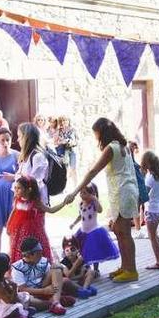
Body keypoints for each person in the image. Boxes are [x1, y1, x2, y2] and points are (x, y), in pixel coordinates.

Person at [63, 118, 140, 282]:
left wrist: (75, 191)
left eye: (96, 135)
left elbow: (92, 172)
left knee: (124, 232)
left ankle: (131, 270)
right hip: (123, 191)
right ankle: (125, 266)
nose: (96, 138)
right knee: (119, 231)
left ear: (102, 134)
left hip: (123, 192)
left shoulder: (111, 148)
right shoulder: (122, 145)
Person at [6, 176, 65, 263]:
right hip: (18, 232)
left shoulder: (36, 203)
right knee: (18, 249)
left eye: (19, 188)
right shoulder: (17, 200)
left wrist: (64, 203)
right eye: (15, 188)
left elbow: (51, 210)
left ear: (29, 189)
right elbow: (13, 212)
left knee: (32, 251)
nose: (16, 190)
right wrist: (8, 225)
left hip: (32, 233)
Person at [11, 238, 78, 315]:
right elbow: (22, 289)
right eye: (39, 253)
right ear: (30, 255)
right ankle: (54, 302)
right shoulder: (17, 268)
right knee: (27, 300)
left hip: (44, 287)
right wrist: (44, 291)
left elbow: (50, 277)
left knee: (56, 269)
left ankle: (56, 302)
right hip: (31, 294)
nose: (41, 255)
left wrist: (49, 287)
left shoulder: (42, 261)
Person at [69, 183, 121, 271]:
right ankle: (85, 266)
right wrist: (74, 223)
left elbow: (100, 210)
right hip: (83, 231)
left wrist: (94, 198)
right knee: (82, 249)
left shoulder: (94, 204)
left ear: (91, 194)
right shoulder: (81, 203)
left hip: (93, 231)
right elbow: (80, 215)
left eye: (84, 193)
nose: (82, 195)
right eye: (81, 193)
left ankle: (96, 269)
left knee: (94, 249)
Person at [141, 151, 159, 269]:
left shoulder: (150, 177)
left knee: (152, 236)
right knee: (155, 234)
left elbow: (145, 193)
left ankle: (158, 262)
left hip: (152, 209)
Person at [13, 123, 49, 205]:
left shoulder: (38, 157)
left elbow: (35, 182)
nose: (18, 140)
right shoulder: (26, 156)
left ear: (27, 138)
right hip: (24, 200)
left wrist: (19, 177)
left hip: (34, 203)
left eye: (20, 136)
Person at [53, 115, 79, 186]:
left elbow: (77, 141)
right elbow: (55, 142)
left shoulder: (73, 129)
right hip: (63, 152)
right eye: (63, 120)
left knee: (73, 168)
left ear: (69, 121)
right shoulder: (59, 131)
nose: (65, 122)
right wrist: (61, 142)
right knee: (65, 170)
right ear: (61, 122)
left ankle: (76, 185)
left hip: (72, 150)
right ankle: (65, 186)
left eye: (66, 120)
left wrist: (70, 142)